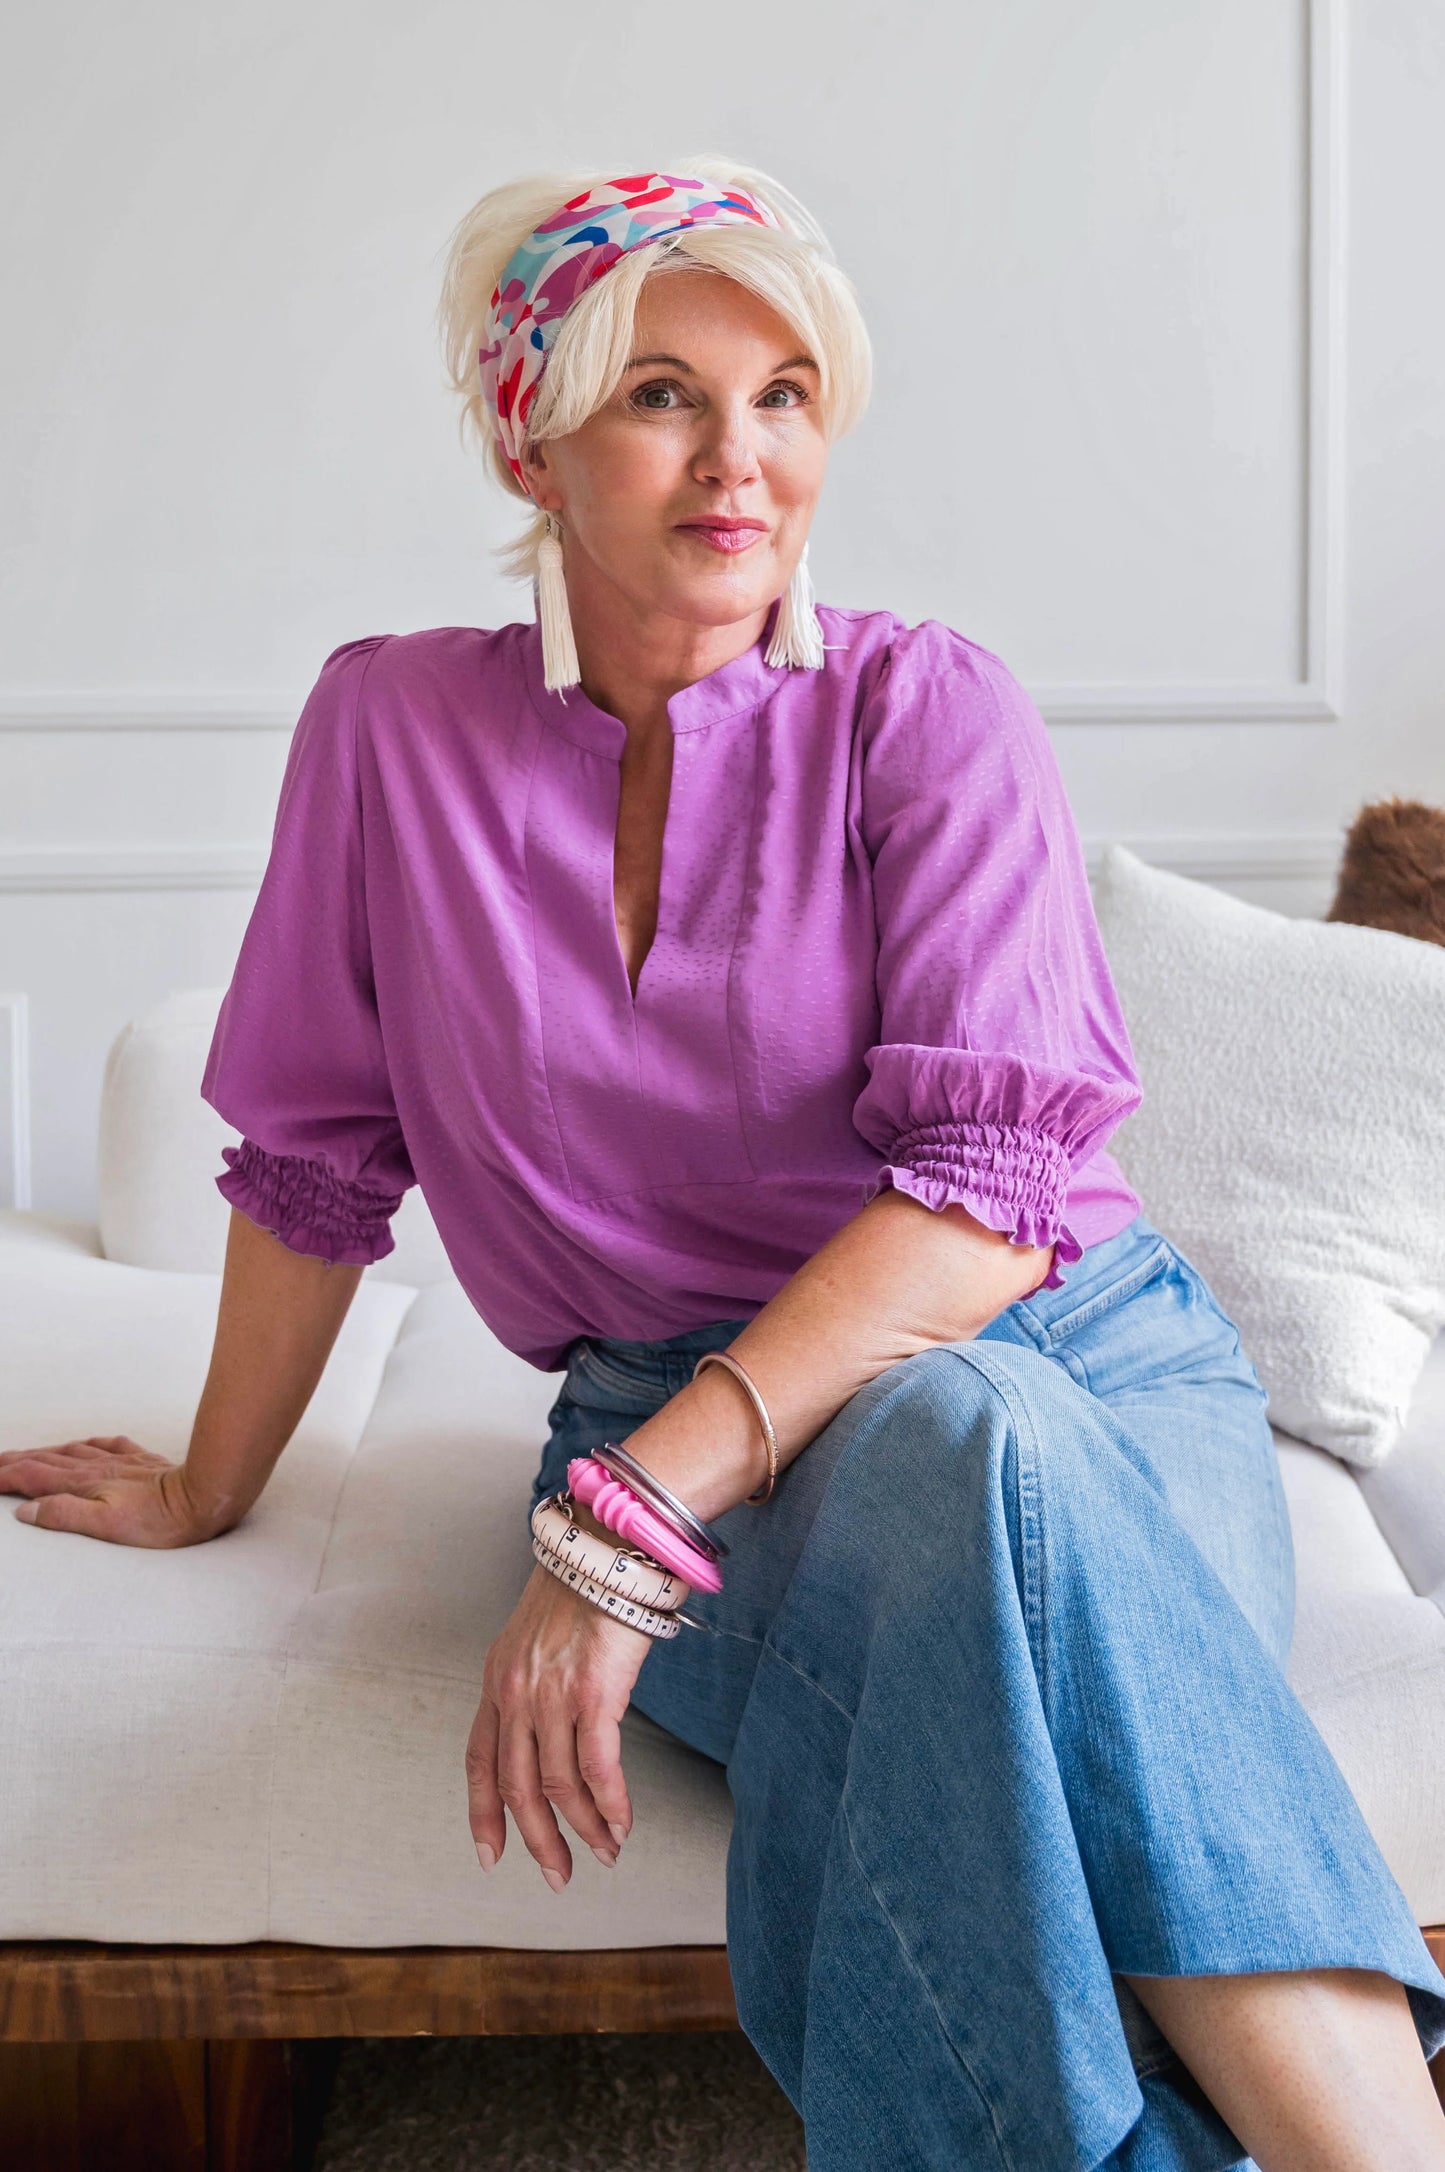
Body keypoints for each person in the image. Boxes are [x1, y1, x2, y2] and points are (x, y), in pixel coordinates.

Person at [5, 157, 1445, 2171]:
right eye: (664, 393)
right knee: (968, 1480)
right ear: (535, 429)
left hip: (1096, 1393)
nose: (741, 459)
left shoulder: (926, 714)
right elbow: (316, 1159)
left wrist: (617, 1531)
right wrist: (214, 1480)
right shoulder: (390, 734)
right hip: (687, 1426)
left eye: (787, 396)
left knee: (985, 1432)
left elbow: (980, 1198)